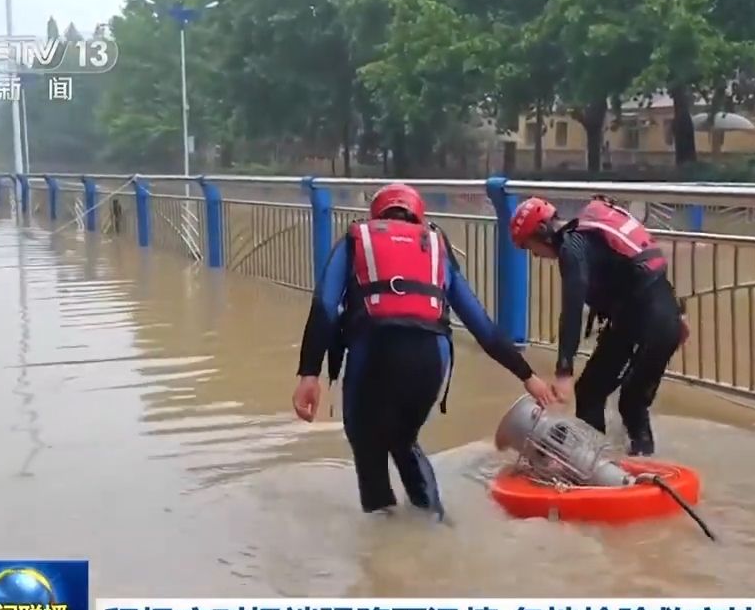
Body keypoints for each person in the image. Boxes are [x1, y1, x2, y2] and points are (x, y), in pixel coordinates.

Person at [292, 183, 556, 520]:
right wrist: (528, 376)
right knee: (403, 440)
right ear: (419, 215)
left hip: (373, 353)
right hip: (430, 359)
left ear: (377, 214)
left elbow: (325, 308)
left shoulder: (356, 239)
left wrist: (309, 374)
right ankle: (435, 524)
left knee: (368, 443)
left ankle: (382, 540)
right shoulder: (436, 246)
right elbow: (482, 325)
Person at [508, 194, 689, 456]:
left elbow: (572, 308)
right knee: (593, 393)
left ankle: (626, 470)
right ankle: (604, 461)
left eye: (529, 246)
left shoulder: (573, 246)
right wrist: (678, 312)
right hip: (648, 316)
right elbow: (644, 260)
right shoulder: (591, 229)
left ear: (541, 232)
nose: (535, 256)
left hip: (650, 321)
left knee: (628, 403)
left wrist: (564, 371)